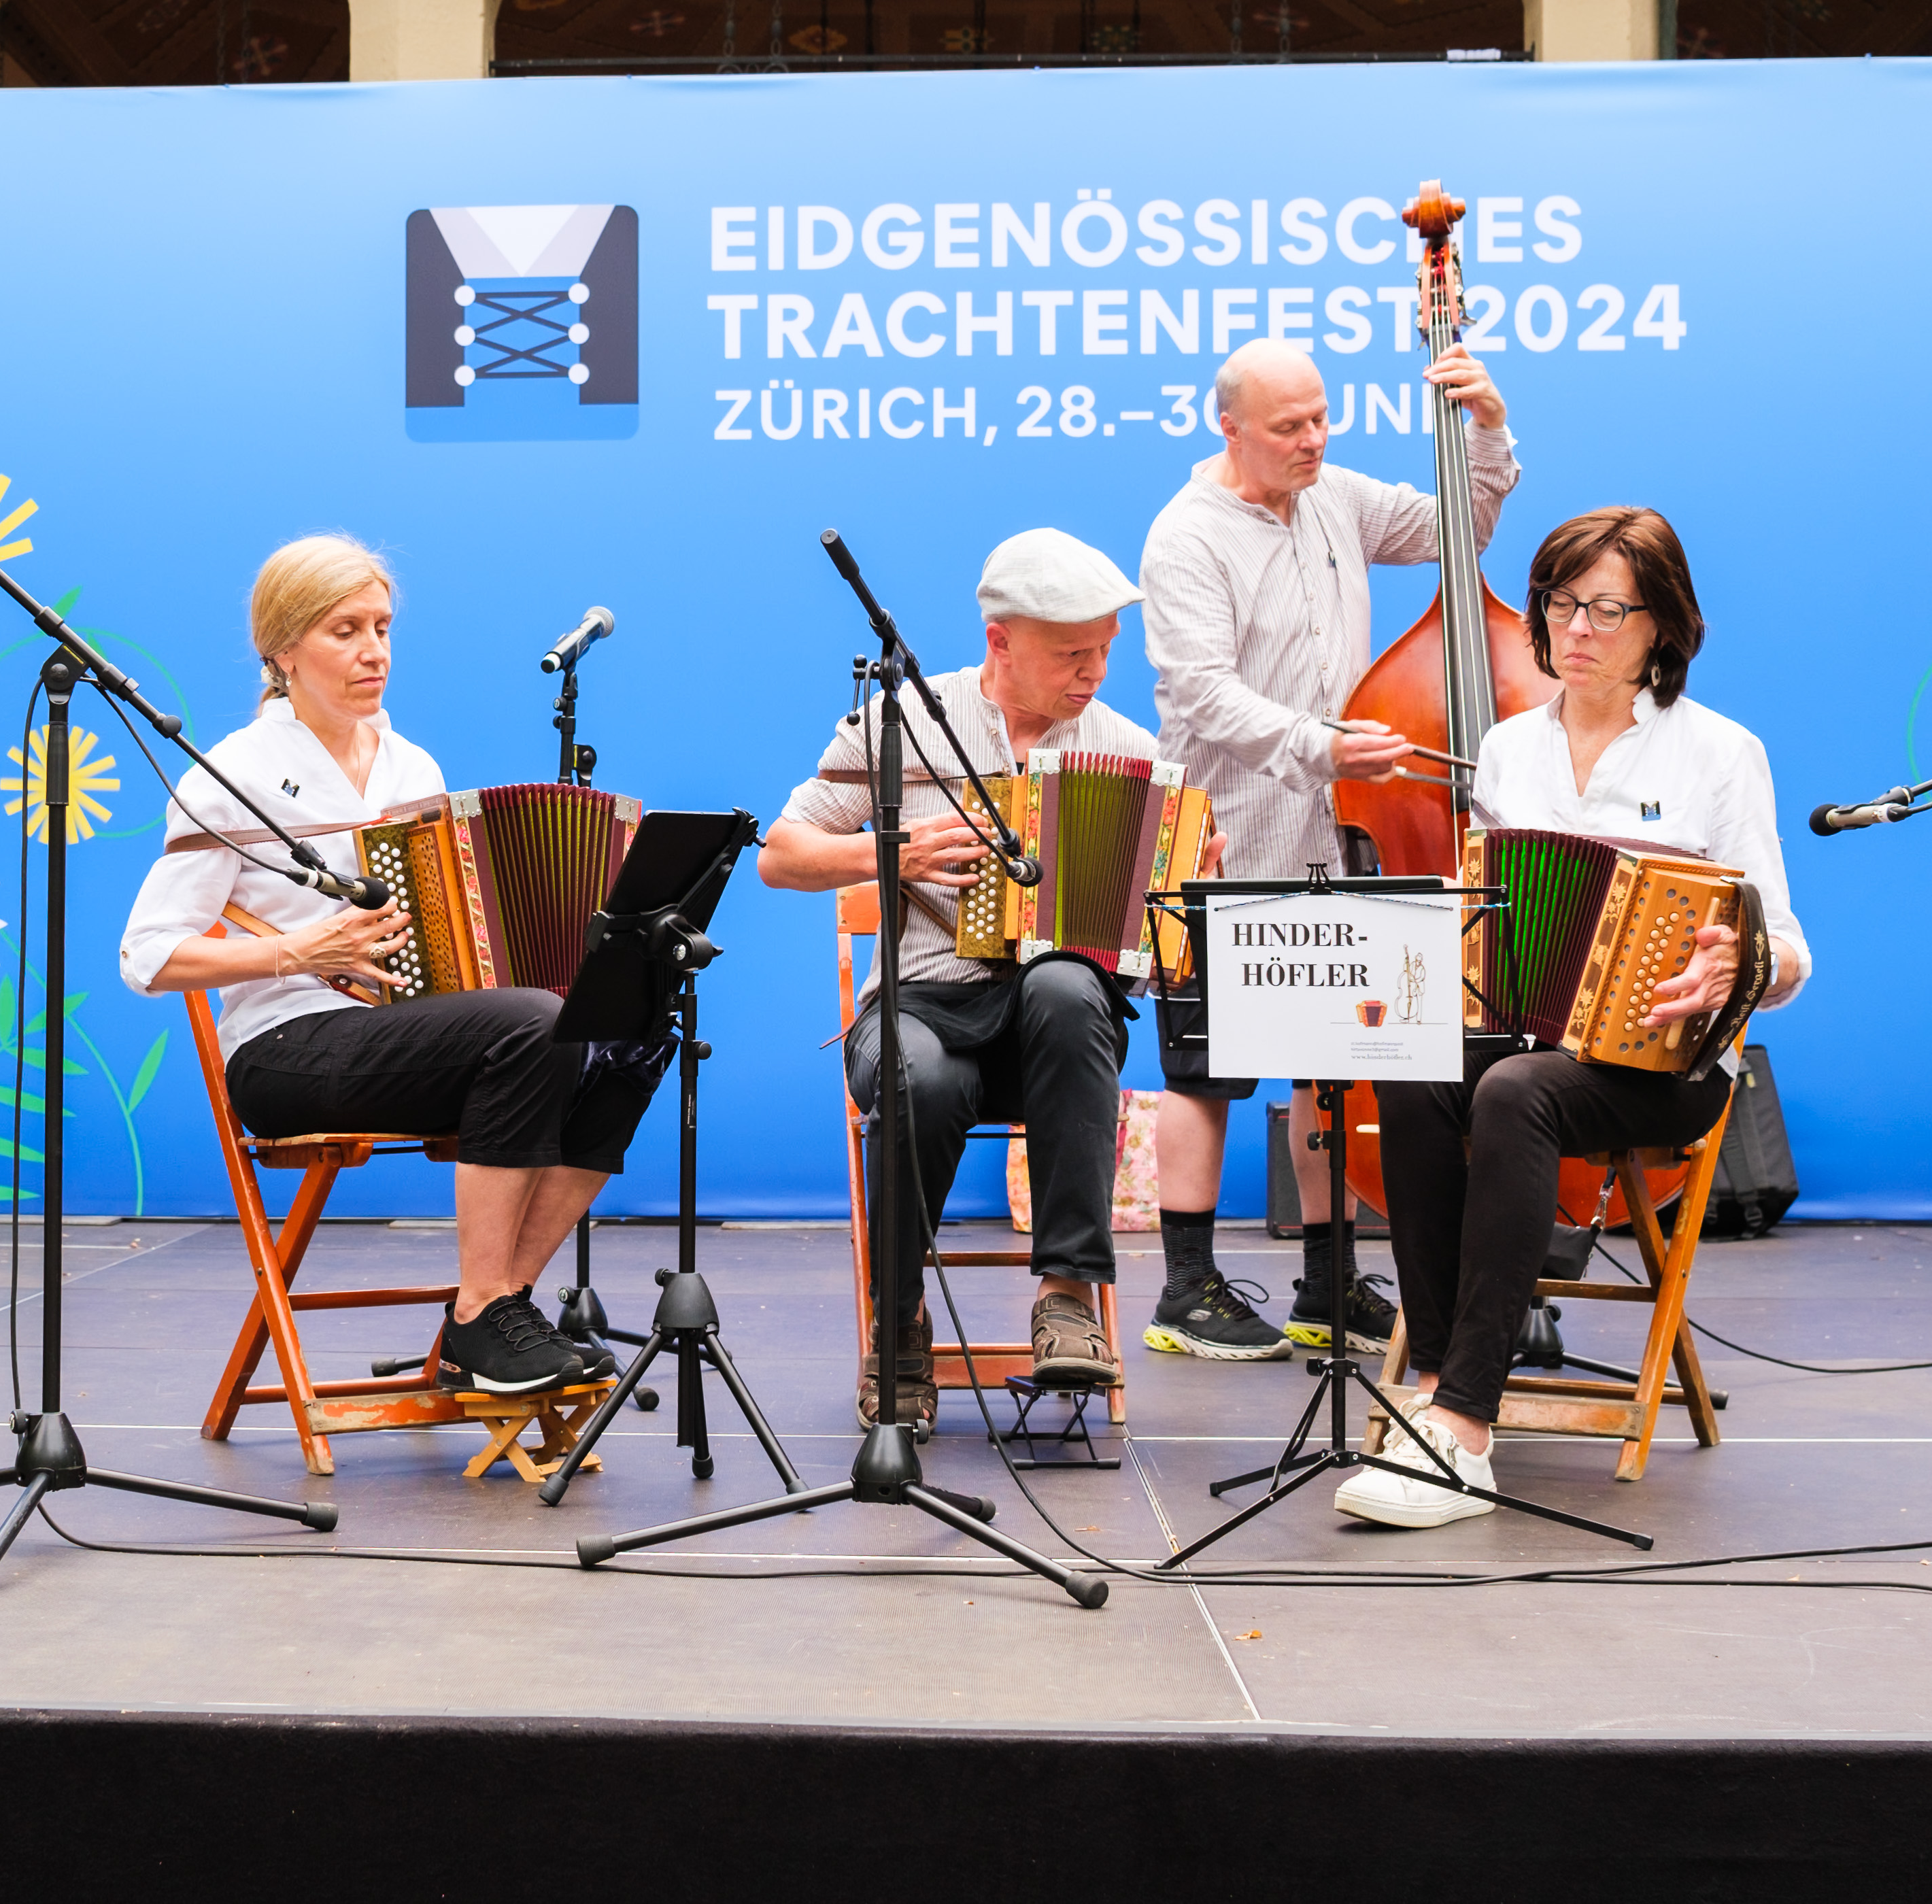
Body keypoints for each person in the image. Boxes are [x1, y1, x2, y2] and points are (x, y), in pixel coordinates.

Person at [1333, 506, 1812, 1529]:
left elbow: (1790, 952)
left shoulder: (1720, 754)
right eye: (1560, 602)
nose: (1575, 628)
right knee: (1416, 1066)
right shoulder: (1508, 750)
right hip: (1528, 1037)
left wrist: (1743, 957)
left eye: (1606, 608)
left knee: (1514, 1093)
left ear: (1663, 627)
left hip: (1664, 1068)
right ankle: (1432, 1395)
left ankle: (1463, 1427)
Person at [119, 534, 662, 1399]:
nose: (374, 650)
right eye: (345, 630)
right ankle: (485, 1313)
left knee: (630, 1030)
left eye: (382, 627)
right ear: (283, 649)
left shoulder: (414, 768)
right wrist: (296, 950)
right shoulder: (232, 773)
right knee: (532, 1023)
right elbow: (145, 954)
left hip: (407, 1040)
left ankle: (496, 1308)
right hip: (285, 1051)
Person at [761, 528, 1219, 1429]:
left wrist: (1182, 882)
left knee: (1061, 983)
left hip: (1057, 1033)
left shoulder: (1126, 748)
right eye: (1070, 655)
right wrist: (886, 851)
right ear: (999, 643)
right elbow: (782, 855)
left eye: (1103, 653)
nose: (1091, 673)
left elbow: (1156, 939)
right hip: (923, 1004)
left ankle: (1067, 1299)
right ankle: (897, 1326)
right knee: (919, 1078)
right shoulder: (901, 723)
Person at [1136, 334, 1525, 1363]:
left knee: (1329, 1061)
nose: (1313, 440)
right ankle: (1186, 1288)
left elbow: (1462, 530)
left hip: (1331, 826)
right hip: (1225, 828)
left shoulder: (1337, 496)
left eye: (1321, 419)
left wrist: (1485, 427)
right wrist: (1325, 744)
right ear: (1230, 428)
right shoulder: (1185, 537)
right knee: (1206, 1068)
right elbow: (1201, 695)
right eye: (1288, 428)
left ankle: (1326, 1280)